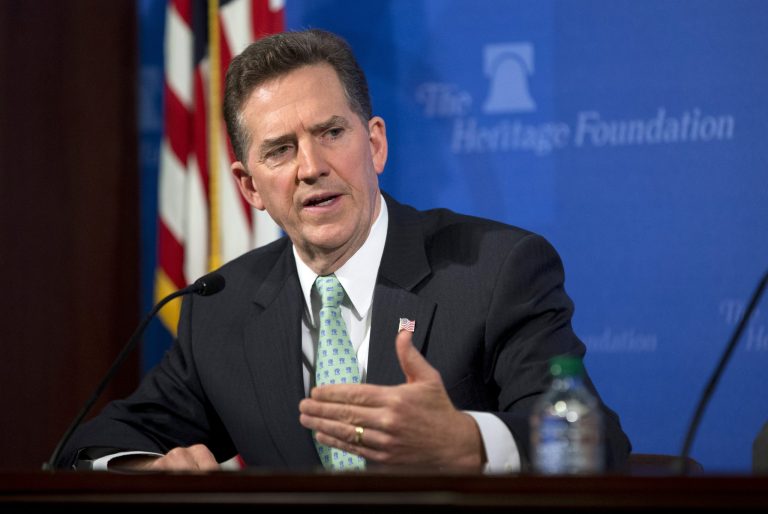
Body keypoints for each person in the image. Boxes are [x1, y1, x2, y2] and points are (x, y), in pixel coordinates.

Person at [57, 29, 630, 472]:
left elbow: (599, 442)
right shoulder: (220, 309)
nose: (312, 168)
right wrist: (151, 466)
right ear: (249, 186)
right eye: (280, 150)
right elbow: (91, 445)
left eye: (332, 133)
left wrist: (469, 441)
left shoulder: (494, 272)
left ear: (375, 143)